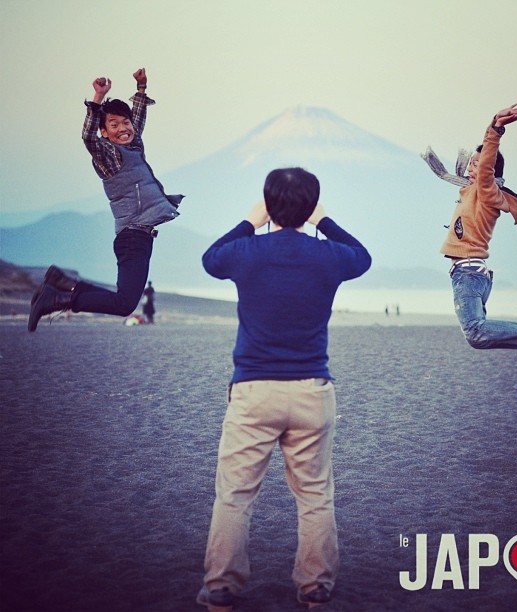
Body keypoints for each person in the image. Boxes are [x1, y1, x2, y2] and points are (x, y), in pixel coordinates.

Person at [196, 168, 371, 611]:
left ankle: (222, 586)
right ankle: (315, 587)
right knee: (314, 493)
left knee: (235, 493)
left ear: (268, 204)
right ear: (311, 206)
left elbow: (210, 258)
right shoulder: (328, 255)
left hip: (254, 390)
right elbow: (362, 256)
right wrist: (324, 221)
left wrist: (251, 221)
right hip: (313, 390)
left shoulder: (247, 252)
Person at [28, 68, 183, 332]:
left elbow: (138, 119)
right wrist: (98, 97)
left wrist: (142, 89)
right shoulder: (109, 156)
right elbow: (87, 137)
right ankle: (56, 299)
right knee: (124, 304)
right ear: (104, 131)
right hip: (132, 237)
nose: (123, 128)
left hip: (139, 237)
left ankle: (62, 283)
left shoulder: (132, 146)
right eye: (114, 125)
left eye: (126, 123)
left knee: (123, 298)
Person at [423, 104, 517, 373]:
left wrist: (496, 127)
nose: (472, 168)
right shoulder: (475, 192)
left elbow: (487, 164)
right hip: (472, 274)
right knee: (478, 334)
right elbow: (481, 168)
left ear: (489, 172)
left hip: (469, 273)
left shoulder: (486, 190)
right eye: (472, 164)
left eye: (477, 164)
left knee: (475, 332)